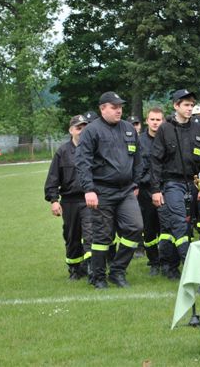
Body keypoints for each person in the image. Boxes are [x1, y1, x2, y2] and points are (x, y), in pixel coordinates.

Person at [75, 91, 144, 289]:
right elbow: (82, 162)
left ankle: (117, 271)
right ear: (102, 108)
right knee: (102, 236)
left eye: (120, 106)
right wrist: (89, 189)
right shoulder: (92, 131)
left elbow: (138, 159)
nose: (119, 110)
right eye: (114, 107)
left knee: (135, 228)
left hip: (126, 191)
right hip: (101, 191)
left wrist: (136, 183)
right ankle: (98, 277)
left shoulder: (128, 129)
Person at [150, 89, 200, 280]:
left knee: (186, 228)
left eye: (192, 105)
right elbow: (155, 161)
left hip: (193, 183)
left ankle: (171, 266)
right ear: (176, 106)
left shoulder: (198, 128)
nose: (190, 109)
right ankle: (192, 271)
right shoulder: (165, 129)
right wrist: (155, 190)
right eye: (186, 105)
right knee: (179, 224)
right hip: (172, 183)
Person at [44, 114, 93, 281]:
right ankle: (74, 269)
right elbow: (53, 178)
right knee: (72, 236)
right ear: (71, 130)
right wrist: (53, 200)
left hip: (89, 200)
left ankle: (92, 267)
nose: (82, 131)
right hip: (70, 201)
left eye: (85, 128)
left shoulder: (95, 149)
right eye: (79, 128)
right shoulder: (62, 152)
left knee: (90, 234)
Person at [138, 107, 165, 276]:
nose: (155, 123)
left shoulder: (167, 139)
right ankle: (154, 262)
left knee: (166, 227)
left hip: (165, 188)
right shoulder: (139, 141)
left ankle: (168, 261)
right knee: (148, 228)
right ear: (147, 121)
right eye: (152, 119)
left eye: (158, 120)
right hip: (145, 191)